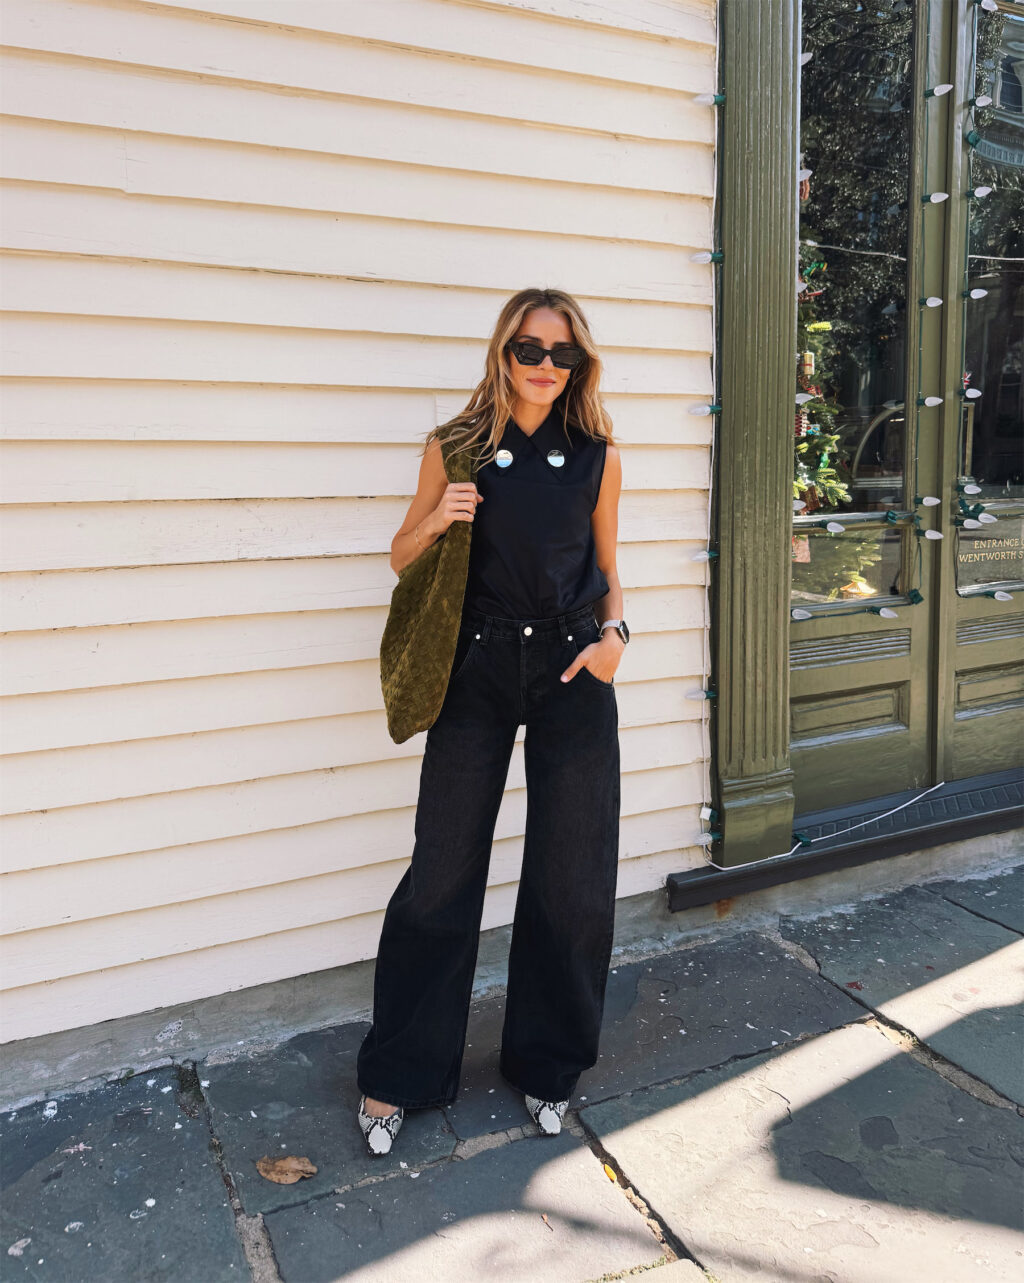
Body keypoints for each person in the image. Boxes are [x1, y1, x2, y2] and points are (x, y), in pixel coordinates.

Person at [356, 287, 629, 1156]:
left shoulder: (597, 455)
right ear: (502, 352)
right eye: (529, 349)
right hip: (476, 666)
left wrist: (617, 635)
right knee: (441, 871)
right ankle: (400, 1073)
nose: (546, 366)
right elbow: (402, 555)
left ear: (578, 365)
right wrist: (441, 513)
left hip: (572, 665)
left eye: (563, 354)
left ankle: (547, 1068)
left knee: (572, 875)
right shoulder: (458, 445)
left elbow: (610, 569)